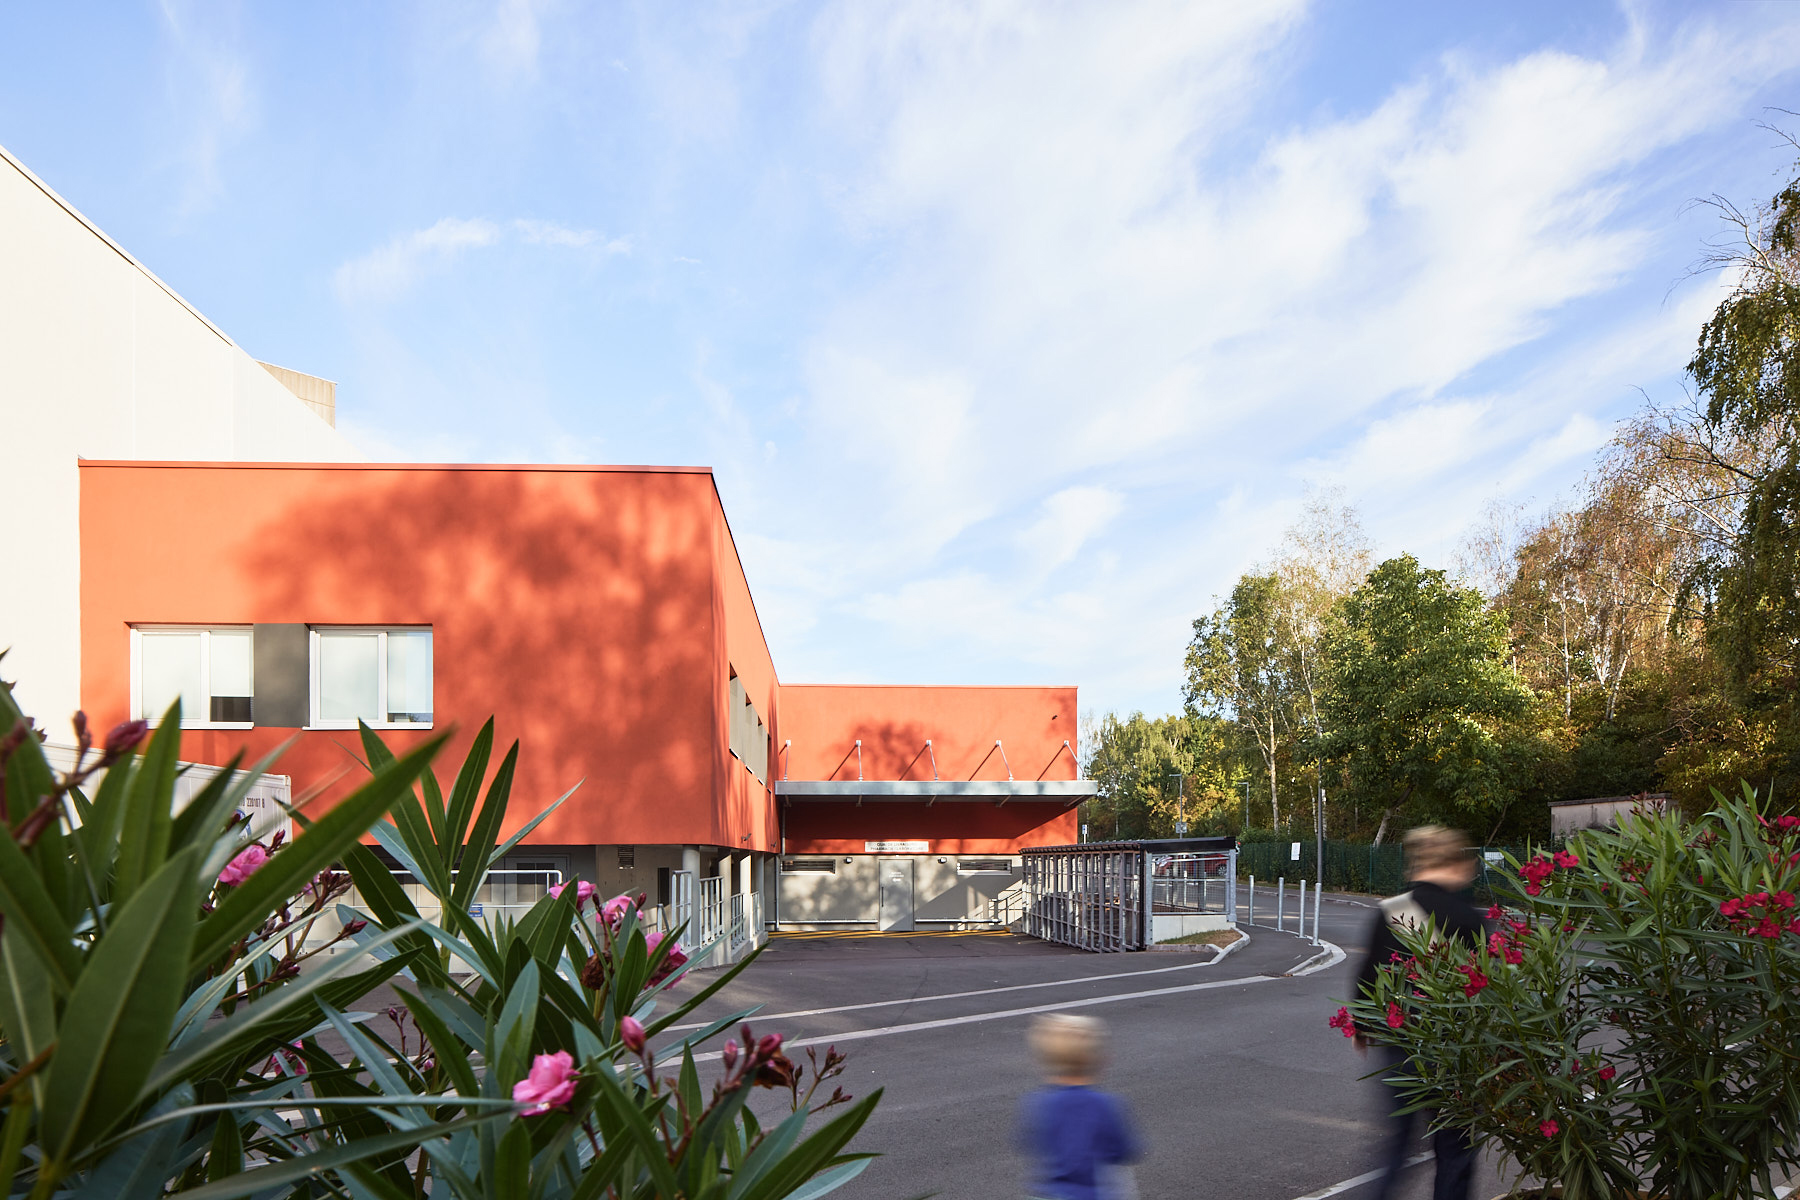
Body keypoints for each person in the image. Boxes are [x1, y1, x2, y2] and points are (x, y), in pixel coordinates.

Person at [1352, 825, 1486, 1200]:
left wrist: (1362, 1027)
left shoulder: (1391, 911)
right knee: (1455, 1150)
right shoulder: (1468, 917)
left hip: (1400, 1043)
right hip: (1454, 1049)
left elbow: (1369, 977)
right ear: (1455, 865)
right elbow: (1487, 985)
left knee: (1396, 1146)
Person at [1017, 1014, 1141, 1200]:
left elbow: (1027, 1141)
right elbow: (1123, 1149)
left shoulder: (1038, 1102)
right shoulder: (1103, 1104)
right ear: (1099, 1061)